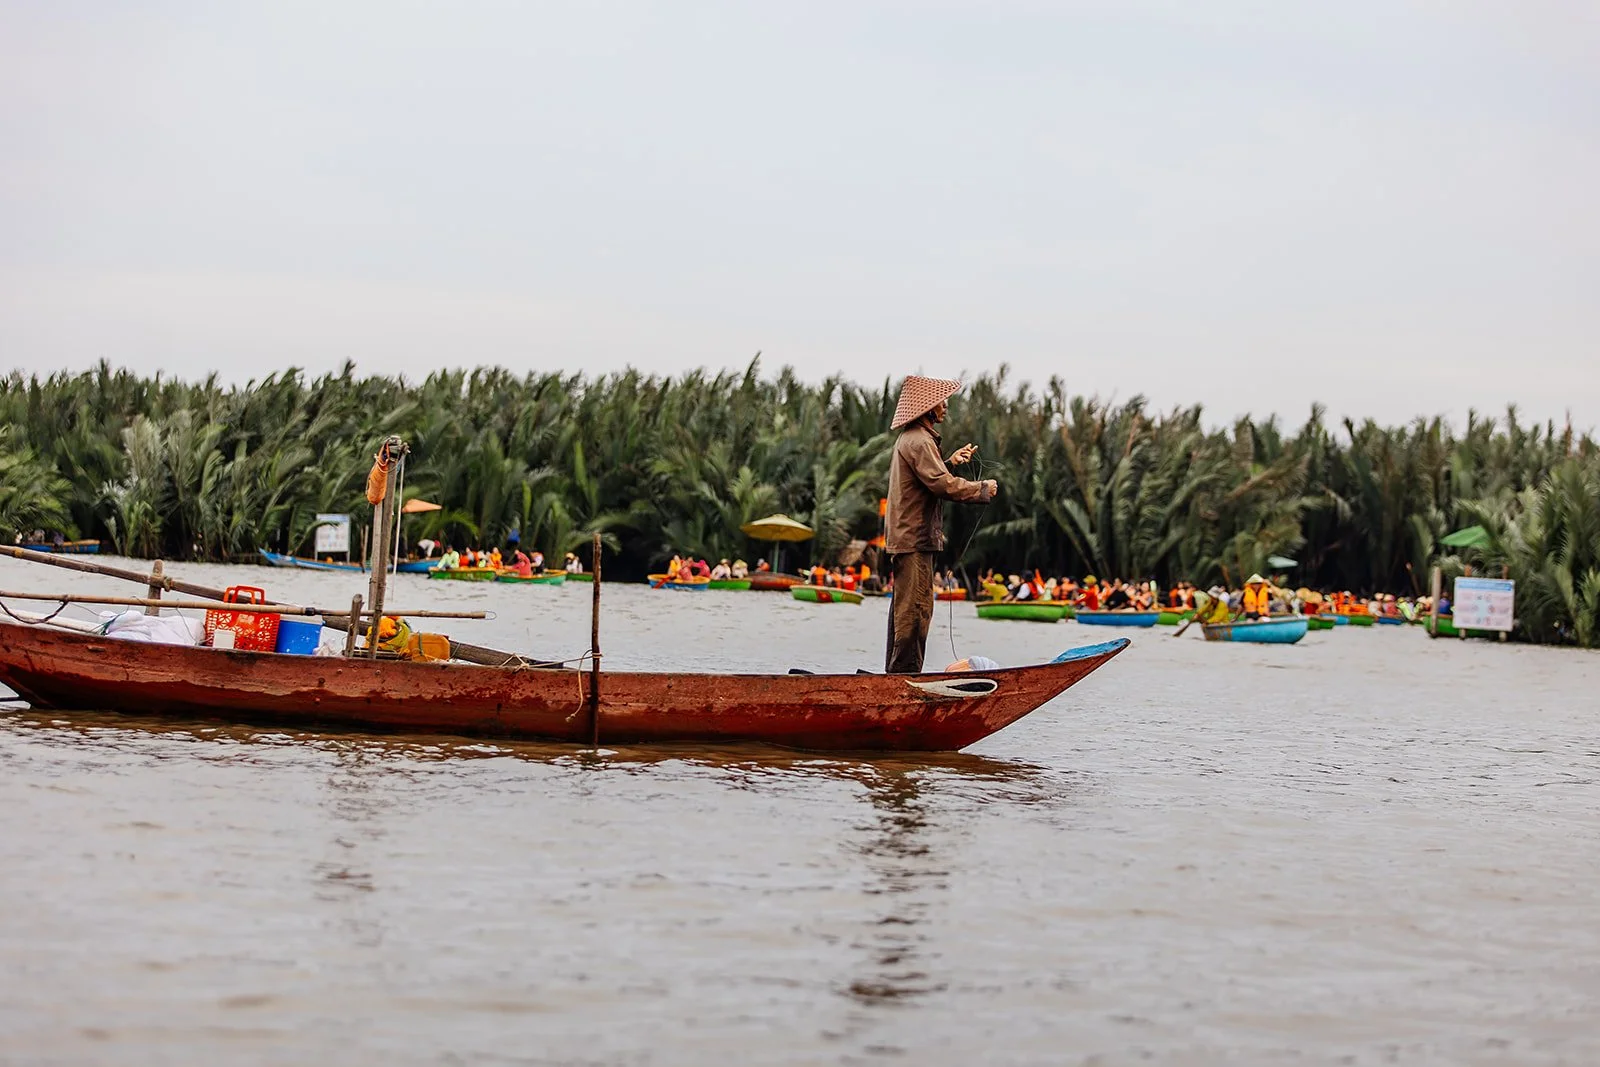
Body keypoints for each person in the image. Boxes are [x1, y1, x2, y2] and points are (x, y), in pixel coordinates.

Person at [883, 376, 997, 674]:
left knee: (905, 611)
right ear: (927, 408)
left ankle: (897, 676)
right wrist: (981, 488)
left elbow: (930, 478)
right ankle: (903, 678)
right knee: (915, 613)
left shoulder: (915, 440)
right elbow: (941, 485)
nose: (945, 407)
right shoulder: (919, 441)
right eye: (942, 402)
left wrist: (950, 462)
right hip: (915, 538)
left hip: (910, 537)